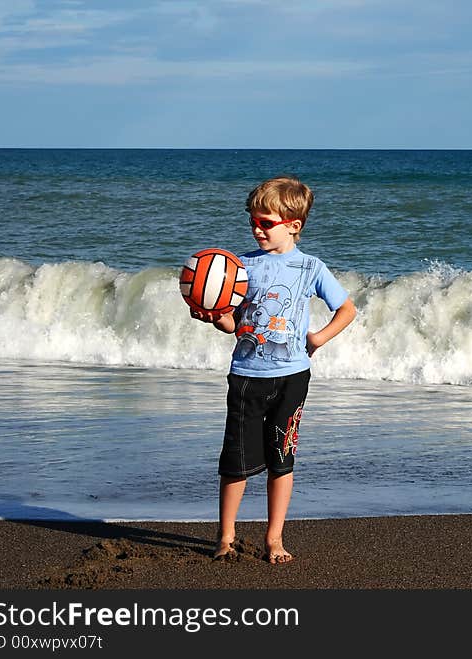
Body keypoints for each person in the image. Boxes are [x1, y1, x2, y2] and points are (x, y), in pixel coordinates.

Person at [190, 176, 356, 564]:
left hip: (292, 378)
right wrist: (213, 317)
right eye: (253, 221)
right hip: (247, 375)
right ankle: (226, 537)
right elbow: (232, 324)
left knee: (282, 457)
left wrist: (316, 339)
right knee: (235, 462)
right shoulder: (240, 267)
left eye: (266, 222)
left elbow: (346, 310)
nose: (257, 228)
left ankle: (274, 538)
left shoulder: (311, 268)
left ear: (293, 225)